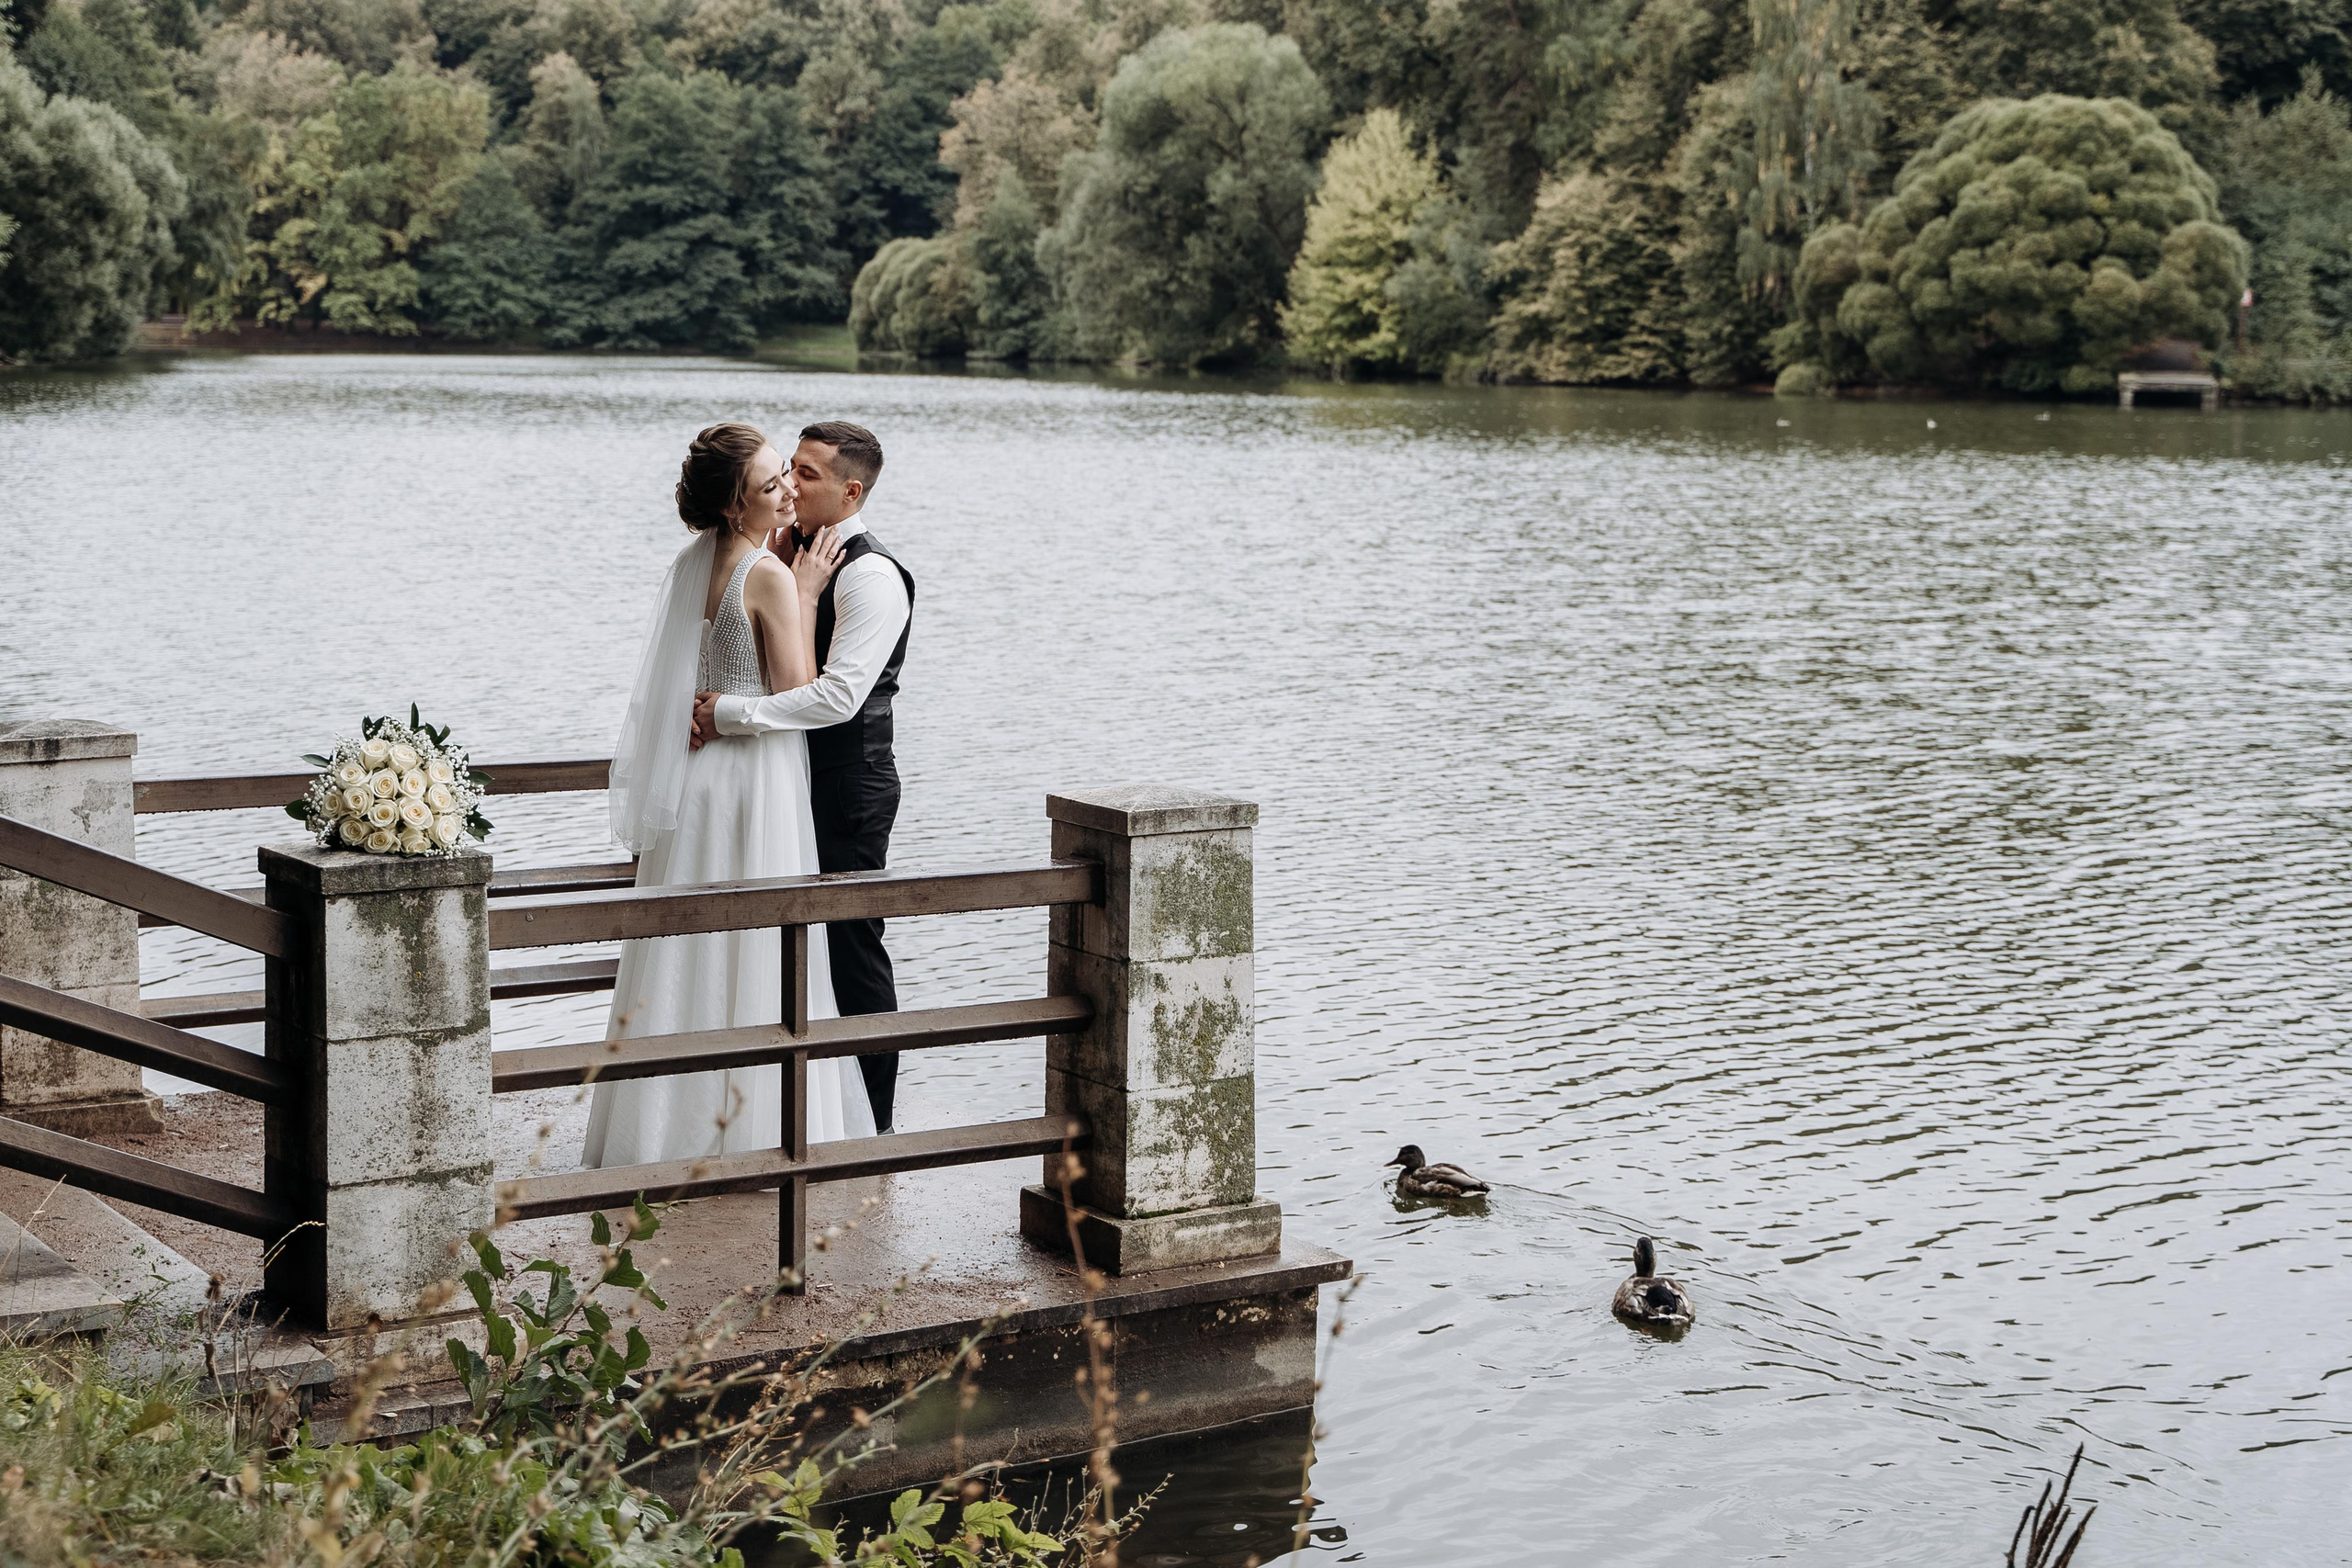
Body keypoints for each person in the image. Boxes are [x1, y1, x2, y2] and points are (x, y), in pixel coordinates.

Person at [582, 423, 878, 1168]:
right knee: (754, 945)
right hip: (754, 778)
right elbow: (798, 689)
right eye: (771, 484)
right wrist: (806, 596)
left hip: (697, 781)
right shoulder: (772, 574)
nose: (786, 491)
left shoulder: (694, 561)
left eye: (787, 476)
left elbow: (678, 680)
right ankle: (751, 1135)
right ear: (734, 504)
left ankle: (656, 1134)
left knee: (686, 946)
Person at [691, 422, 915, 1131]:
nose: (791, 483)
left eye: (808, 474)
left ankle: (872, 1122)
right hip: (782, 785)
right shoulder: (781, 558)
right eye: (787, 468)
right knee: (786, 949)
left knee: (851, 951)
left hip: (849, 786)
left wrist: (729, 715)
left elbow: (837, 698)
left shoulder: (872, 575)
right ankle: (793, 1111)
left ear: (851, 491)